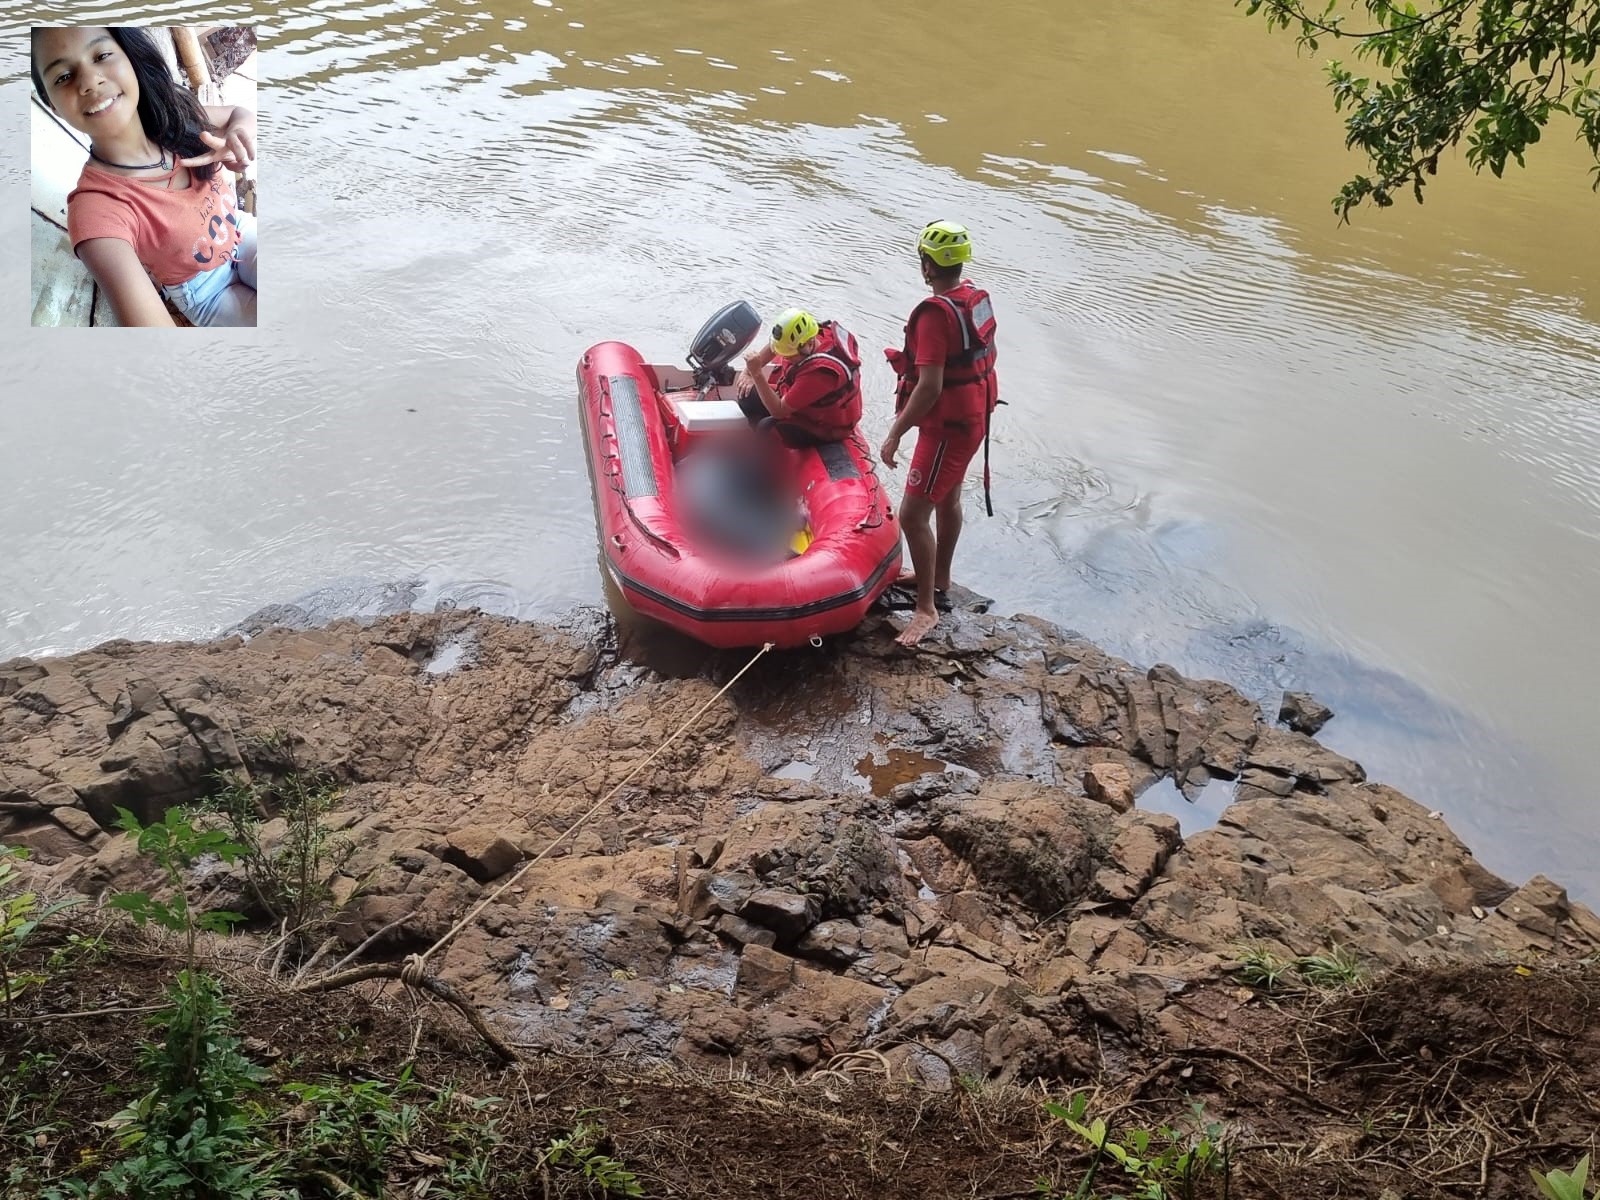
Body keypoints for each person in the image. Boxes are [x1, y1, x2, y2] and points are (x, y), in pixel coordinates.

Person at [32, 27, 258, 327]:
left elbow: (239, 114)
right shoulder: (97, 210)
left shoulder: (175, 117)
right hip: (206, 291)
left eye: (101, 55)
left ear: (130, 59)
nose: (89, 81)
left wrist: (238, 137)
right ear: (52, 106)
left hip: (240, 230)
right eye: (63, 77)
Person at [879, 220, 999, 647]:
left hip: (948, 428)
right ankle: (942, 578)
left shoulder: (933, 315)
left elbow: (929, 387)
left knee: (912, 515)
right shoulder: (973, 300)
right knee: (948, 497)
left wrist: (895, 433)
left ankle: (926, 609)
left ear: (928, 265)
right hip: (974, 419)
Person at [734, 308, 864, 448]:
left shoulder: (820, 374)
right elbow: (774, 348)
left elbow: (778, 411)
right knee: (747, 395)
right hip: (807, 405)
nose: (784, 357)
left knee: (766, 425)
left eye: (789, 355)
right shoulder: (812, 337)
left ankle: (769, 450)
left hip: (824, 429)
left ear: (809, 345)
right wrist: (747, 372)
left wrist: (757, 374)